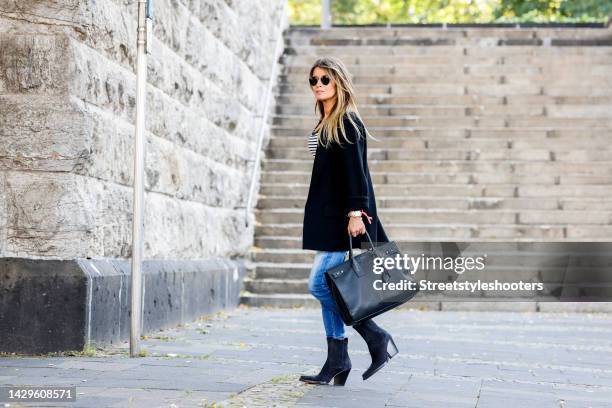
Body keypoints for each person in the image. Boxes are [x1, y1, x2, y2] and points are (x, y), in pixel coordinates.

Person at [298, 57, 398, 386]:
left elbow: (357, 173)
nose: (318, 85)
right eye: (313, 80)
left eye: (325, 79)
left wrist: (357, 212)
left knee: (319, 284)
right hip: (327, 217)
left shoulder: (347, 122)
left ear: (339, 81)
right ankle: (337, 361)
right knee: (329, 285)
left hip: (341, 219)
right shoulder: (326, 121)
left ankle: (374, 335)